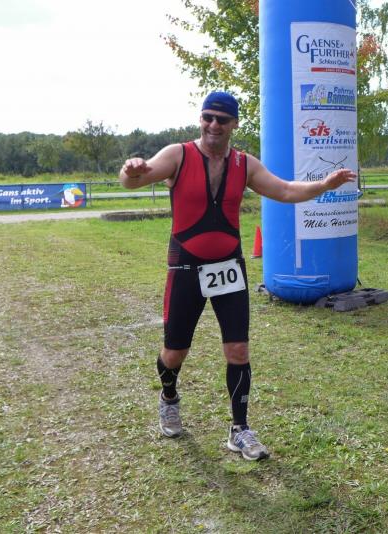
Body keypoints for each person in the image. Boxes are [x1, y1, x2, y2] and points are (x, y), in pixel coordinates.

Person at [118, 91, 356, 460]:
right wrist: (130, 170)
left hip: (229, 266)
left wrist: (324, 185)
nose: (214, 125)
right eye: (208, 117)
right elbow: (133, 180)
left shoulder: (245, 164)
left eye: (222, 119)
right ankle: (169, 397)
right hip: (185, 266)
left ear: (234, 124)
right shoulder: (178, 155)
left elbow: (285, 190)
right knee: (175, 351)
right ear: (201, 119)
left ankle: (240, 429)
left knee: (238, 349)